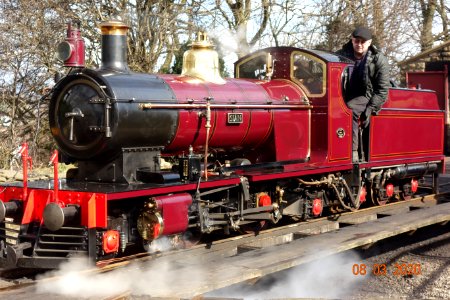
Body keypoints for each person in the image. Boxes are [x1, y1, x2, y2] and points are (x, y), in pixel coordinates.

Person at [336, 26, 390, 162]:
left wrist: (371, 108)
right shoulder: (341, 54)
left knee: (349, 109)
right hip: (343, 94)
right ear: (352, 40)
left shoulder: (379, 59)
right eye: (356, 41)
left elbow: (382, 89)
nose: (359, 44)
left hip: (367, 94)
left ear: (369, 42)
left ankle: (352, 152)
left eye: (363, 42)